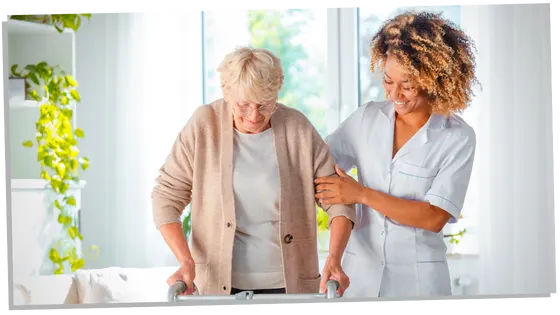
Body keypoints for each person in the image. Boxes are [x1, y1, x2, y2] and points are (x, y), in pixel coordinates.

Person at [151, 46, 356, 297]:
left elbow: (339, 202)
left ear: (276, 94)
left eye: (264, 104)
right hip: (217, 285)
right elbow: (165, 198)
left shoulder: (297, 128)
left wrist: (334, 259)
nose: (254, 115)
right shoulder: (204, 124)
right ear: (227, 94)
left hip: (290, 284)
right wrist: (185, 261)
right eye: (244, 105)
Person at [314, 11, 478, 297]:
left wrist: (361, 194)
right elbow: (318, 165)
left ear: (435, 81)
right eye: (389, 81)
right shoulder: (366, 118)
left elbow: (433, 217)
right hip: (358, 277)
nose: (395, 94)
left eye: (408, 85)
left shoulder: (457, 137)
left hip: (418, 282)